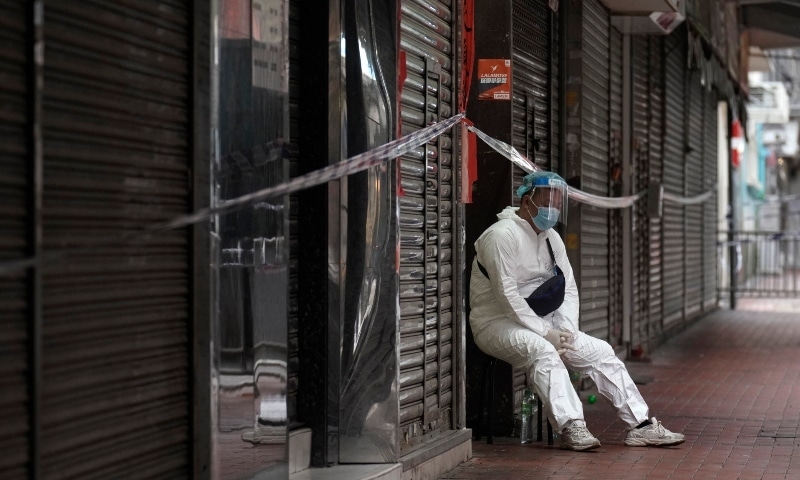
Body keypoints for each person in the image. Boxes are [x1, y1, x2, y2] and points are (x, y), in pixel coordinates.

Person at [469, 170, 684, 451]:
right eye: (548, 199)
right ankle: (572, 426)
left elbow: (568, 287)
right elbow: (507, 296)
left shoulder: (551, 239)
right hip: (496, 324)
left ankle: (641, 426)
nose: (553, 207)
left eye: (558, 201)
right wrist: (547, 333)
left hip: (544, 324)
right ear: (528, 198)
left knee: (602, 352)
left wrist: (566, 331)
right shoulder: (500, 236)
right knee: (543, 352)